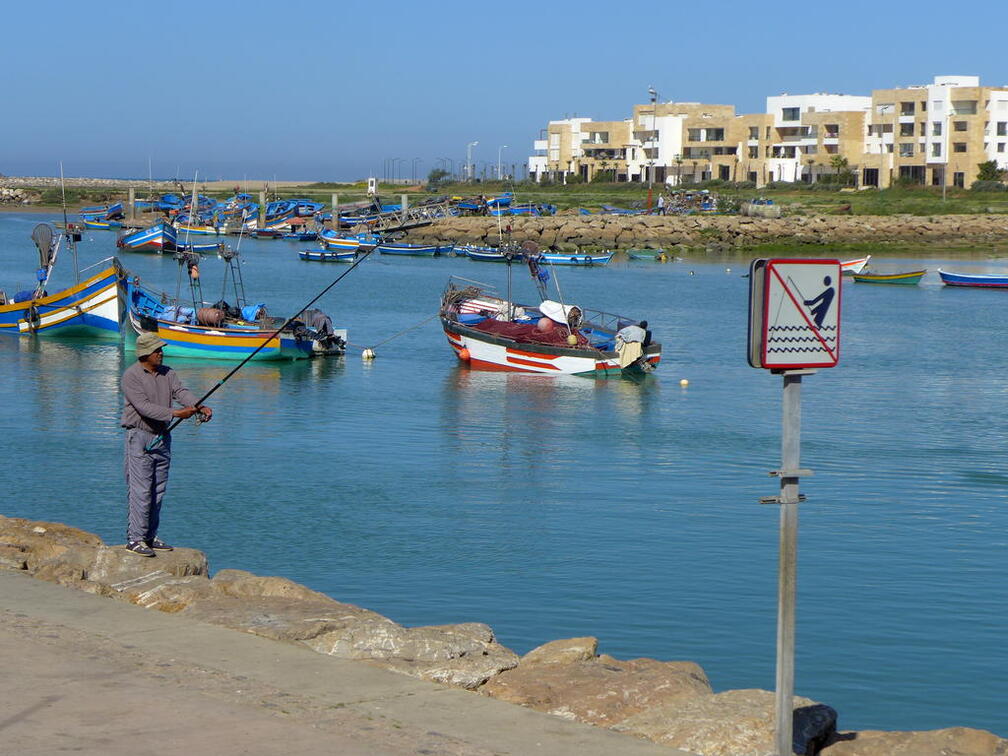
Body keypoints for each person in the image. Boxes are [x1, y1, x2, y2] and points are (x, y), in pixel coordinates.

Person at [121, 332, 212, 557]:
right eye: (157, 350)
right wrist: (176, 413)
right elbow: (144, 407)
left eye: (161, 349)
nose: (161, 353)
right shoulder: (131, 376)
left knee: (158, 490)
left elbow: (181, 392)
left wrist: (198, 406)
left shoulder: (168, 373)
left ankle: (150, 536)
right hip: (139, 437)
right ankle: (135, 539)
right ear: (144, 354)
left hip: (162, 437)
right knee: (140, 490)